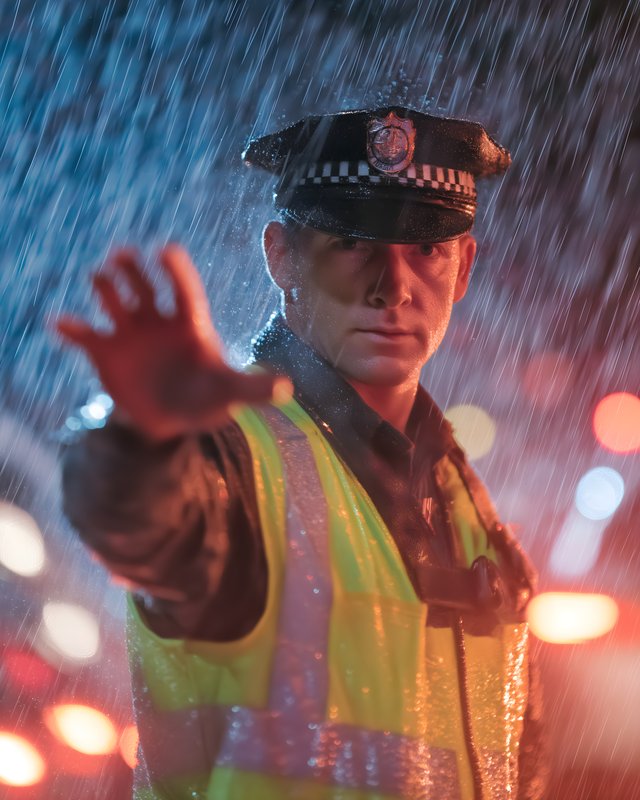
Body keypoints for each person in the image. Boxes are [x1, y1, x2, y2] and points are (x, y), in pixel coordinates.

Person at [58, 107, 547, 800]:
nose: (393, 286)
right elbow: (138, 516)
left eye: (426, 249)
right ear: (281, 255)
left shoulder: (459, 492)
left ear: (464, 267)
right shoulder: (234, 452)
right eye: (352, 243)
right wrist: (142, 432)